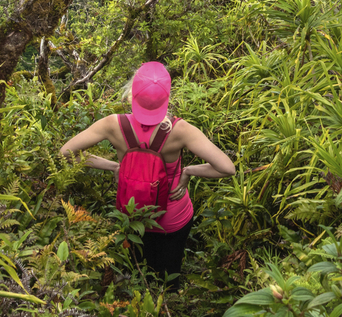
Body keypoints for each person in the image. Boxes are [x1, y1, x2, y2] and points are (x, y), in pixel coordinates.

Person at [59, 61, 235, 285]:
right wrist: (189, 171)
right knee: (169, 273)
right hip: (173, 217)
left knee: (138, 271)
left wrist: (114, 165)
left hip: (132, 216)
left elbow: (66, 152)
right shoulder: (181, 130)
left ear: (133, 94)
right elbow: (227, 168)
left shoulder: (113, 125)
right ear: (167, 97)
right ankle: (168, 307)